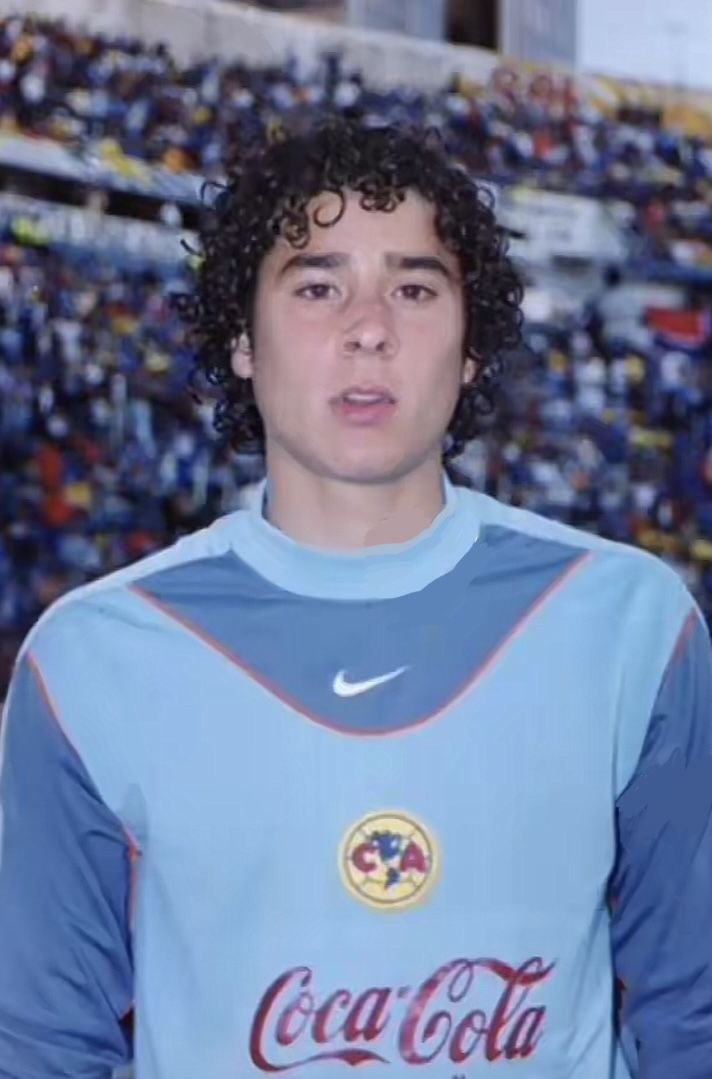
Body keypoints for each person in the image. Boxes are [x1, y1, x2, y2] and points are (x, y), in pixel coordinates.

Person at [0, 117, 711, 1079]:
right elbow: (44, 1046)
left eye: (415, 288)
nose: (369, 326)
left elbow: (692, 1011)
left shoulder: (631, 622)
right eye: (319, 284)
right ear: (243, 341)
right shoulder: (90, 658)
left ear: (470, 349)